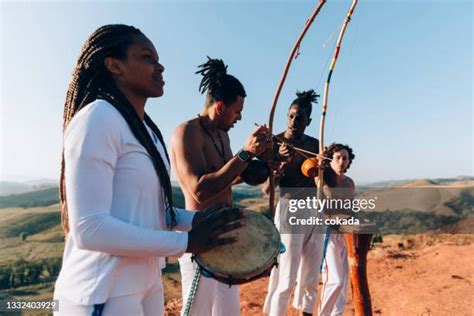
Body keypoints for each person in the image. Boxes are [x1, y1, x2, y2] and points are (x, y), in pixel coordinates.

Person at [53, 24, 243, 316]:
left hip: (145, 283)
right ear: (115, 65)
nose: (160, 66)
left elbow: (156, 214)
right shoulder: (97, 117)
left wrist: (207, 221)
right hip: (101, 291)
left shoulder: (146, 130)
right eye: (148, 58)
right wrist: (187, 241)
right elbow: (88, 229)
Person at [170, 57, 271, 316]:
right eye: (237, 112)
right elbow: (200, 189)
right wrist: (245, 154)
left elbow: (227, 177)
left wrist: (260, 164)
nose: (239, 118)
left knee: (228, 312)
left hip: (226, 233)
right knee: (198, 312)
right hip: (199, 233)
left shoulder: (221, 134)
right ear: (220, 107)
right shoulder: (187, 132)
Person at [262, 90, 325, 316]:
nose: (293, 122)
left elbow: (326, 181)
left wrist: (322, 169)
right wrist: (279, 163)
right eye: (290, 116)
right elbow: (267, 189)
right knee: (286, 274)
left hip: (315, 209)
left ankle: (306, 312)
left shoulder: (316, 143)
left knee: (311, 274)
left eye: (299, 118)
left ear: (308, 121)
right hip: (290, 210)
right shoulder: (275, 143)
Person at [318, 143, 356, 316]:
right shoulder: (322, 178)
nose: (341, 162)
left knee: (344, 283)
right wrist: (320, 161)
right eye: (337, 158)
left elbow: (349, 209)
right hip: (328, 234)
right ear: (330, 160)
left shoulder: (349, 183)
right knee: (335, 280)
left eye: (345, 158)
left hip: (346, 234)